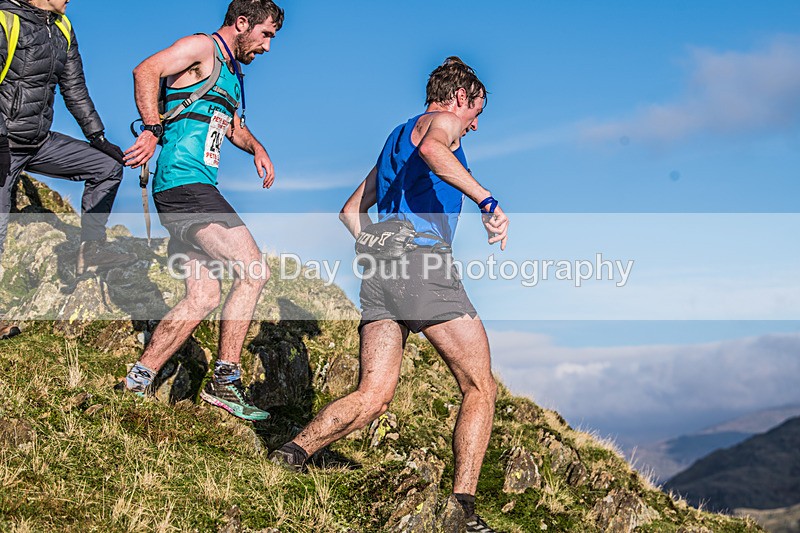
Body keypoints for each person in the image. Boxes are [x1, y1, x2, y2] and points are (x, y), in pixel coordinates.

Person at [269, 57, 509, 531]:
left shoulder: (397, 138)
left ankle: (292, 453)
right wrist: (488, 201)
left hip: (383, 273)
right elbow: (437, 151)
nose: (475, 124)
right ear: (459, 98)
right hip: (424, 266)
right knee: (480, 386)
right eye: (476, 111)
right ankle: (461, 507)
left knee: (374, 394)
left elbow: (349, 211)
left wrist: (371, 243)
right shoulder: (439, 124)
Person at [116, 0, 284, 422]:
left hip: (192, 189)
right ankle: (225, 382)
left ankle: (135, 382)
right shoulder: (201, 47)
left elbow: (232, 127)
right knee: (254, 270)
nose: (266, 47)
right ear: (241, 23)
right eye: (265, 35)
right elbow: (145, 70)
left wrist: (257, 149)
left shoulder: (232, 72)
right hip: (183, 185)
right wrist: (153, 129)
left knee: (203, 295)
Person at [0, 0, 134, 341]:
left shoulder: (61, 27)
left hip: (37, 141)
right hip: (3, 143)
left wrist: (98, 136)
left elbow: (74, 88)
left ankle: (91, 250)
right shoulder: (4, 19)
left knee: (106, 168)